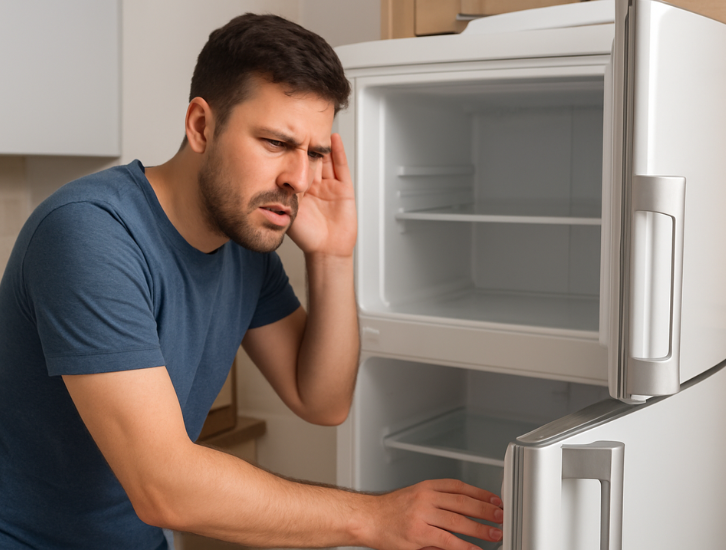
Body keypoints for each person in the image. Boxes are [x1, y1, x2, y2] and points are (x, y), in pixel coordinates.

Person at [0, 13, 504, 550]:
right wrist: (373, 517)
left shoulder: (245, 243)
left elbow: (322, 400)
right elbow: (164, 488)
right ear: (200, 126)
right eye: (275, 142)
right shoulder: (90, 233)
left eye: (313, 153)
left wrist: (333, 255)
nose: (300, 179)